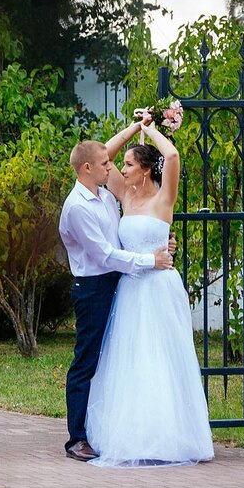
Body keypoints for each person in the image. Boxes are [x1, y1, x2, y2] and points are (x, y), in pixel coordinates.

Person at [84, 113, 215, 467]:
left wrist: (152, 130)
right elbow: (102, 155)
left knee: (162, 359)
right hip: (132, 290)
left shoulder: (163, 200)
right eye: (123, 165)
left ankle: (168, 437)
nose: (121, 169)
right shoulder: (125, 196)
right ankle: (135, 435)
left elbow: (171, 158)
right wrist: (133, 127)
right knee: (133, 361)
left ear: (144, 169)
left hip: (160, 289)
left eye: (129, 164)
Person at [58, 120, 174, 462]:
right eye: (108, 163)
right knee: (87, 362)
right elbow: (105, 255)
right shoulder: (77, 207)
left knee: (119, 360)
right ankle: (76, 439)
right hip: (93, 287)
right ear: (89, 168)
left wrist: (136, 126)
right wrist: (149, 260)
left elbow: (124, 239)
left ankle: (117, 429)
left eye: (119, 163)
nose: (113, 165)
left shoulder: (106, 197)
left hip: (121, 283)